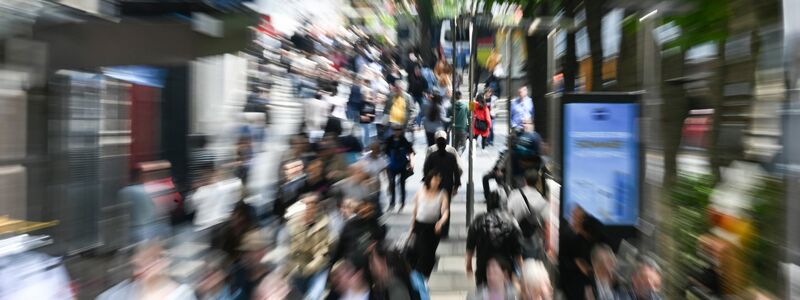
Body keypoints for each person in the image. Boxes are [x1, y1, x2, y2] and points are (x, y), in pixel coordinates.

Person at [97, 241, 196, 300]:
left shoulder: (182, 295)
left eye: (146, 263)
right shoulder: (116, 294)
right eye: (137, 266)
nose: (138, 272)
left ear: (163, 261)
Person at [466, 194, 523, 286]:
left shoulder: (478, 221)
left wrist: (468, 266)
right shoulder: (511, 221)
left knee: (483, 293)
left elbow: (470, 248)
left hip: (483, 267)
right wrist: (522, 272)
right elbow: (518, 252)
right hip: (504, 269)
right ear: (501, 204)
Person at [285, 193, 332, 298]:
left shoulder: (324, 223)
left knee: (313, 295)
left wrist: (308, 268)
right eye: (306, 204)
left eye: (313, 204)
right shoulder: (292, 223)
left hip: (316, 267)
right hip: (296, 267)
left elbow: (322, 252)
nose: (310, 207)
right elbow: (289, 249)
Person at [409, 171, 450, 278]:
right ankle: (417, 278)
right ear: (429, 179)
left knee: (430, 255)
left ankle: (424, 278)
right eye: (435, 179)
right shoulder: (420, 191)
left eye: (439, 180)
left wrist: (440, 222)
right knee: (423, 254)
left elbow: (445, 211)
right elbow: (415, 211)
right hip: (420, 227)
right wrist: (411, 228)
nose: (437, 182)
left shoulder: (442, 193)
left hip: (433, 228)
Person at [422, 130, 462, 237]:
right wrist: (456, 185)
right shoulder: (451, 156)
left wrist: (426, 184)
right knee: (445, 208)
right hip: (447, 186)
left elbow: (426, 170)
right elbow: (457, 172)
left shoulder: (432, 156)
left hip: (435, 186)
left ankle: (435, 229)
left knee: (434, 207)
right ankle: (444, 231)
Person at [504, 170, 549, 260]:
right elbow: (546, 223)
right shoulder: (541, 200)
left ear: (525, 180)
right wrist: (546, 242)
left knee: (516, 266)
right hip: (532, 240)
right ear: (537, 182)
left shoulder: (514, 194)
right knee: (530, 267)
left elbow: (508, 214)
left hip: (514, 238)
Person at [384, 123, 415, 212]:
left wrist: (412, 164)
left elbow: (411, 152)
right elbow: (385, 154)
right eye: (395, 130)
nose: (397, 131)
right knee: (392, 184)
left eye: (398, 130)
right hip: (391, 166)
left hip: (402, 165)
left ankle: (402, 203)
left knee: (402, 185)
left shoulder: (404, 140)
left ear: (401, 131)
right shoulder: (389, 141)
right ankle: (392, 203)